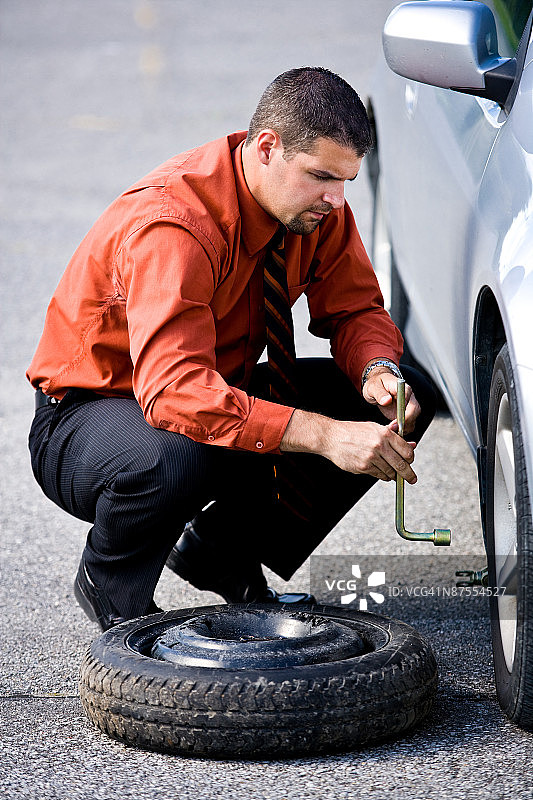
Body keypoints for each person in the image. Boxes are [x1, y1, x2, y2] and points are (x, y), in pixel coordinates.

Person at [27, 67, 436, 631]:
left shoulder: (314, 209)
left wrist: (378, 369)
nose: (336, 200)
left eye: (346, 181)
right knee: (182, 447)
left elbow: (355, 309)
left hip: (212, 389)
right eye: (321, 177)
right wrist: (325, 434)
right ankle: (112, 585)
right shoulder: (174, 226)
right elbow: (177, 395)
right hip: (90, 417)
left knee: (404, 396)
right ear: (266, 148)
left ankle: (220, 552)